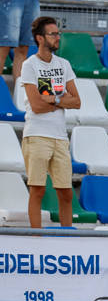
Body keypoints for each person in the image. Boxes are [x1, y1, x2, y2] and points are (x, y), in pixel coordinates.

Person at [20, 16, 80, 228]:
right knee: (38, 190)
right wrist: (63, 101)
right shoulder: (29, 65)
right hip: (36, 135)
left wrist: (53, 99)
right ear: (39, 38)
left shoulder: (64, 64)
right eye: (53, 34)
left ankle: (68, 238)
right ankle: (36, 238)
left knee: (65, 193)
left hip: (60, 138)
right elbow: (36, 106)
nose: (57, 37)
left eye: (58, 33)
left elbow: (77, 101)